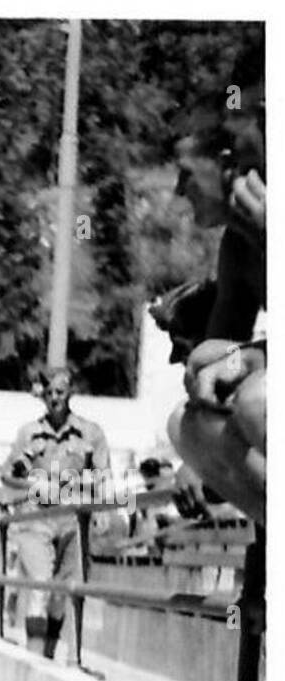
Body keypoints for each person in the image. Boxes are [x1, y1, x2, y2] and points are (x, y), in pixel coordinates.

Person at [160, 97, 266, 525]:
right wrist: (203, 468)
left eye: (187, 173)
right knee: (185, 426)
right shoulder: (237, 247)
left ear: (224, 162)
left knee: (257, 401)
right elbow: (212, 360)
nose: (179, 190)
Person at [0, 368, 112, 659]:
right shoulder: (28, 433)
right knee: (40, 586)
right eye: (48, 393)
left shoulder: (91, 432)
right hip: (36, 516)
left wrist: (101, 508)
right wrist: (31, 483)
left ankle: (49, 655)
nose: (53, 399)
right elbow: (7, 474)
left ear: (70, 393)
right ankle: (34, 657)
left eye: (59, 392)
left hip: (73, 517)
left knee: (62, 593)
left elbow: (103, 476)